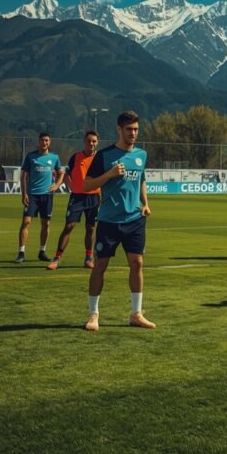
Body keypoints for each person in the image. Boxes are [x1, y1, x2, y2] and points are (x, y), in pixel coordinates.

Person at [82, 111, 154, 331]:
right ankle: (93, 314)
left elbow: (141, 179)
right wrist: (110, 174)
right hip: (109, 221)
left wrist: (145, 203)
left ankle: (136, 314)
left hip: (135, 219)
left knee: (137, 263)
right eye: (129, 129)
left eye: (136, 129)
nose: (133, 133)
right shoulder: (104, 156)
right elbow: (86, 185)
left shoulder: (141, 154)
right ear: (119, 130)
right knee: (100, 265)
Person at [48, 131, 101, 270]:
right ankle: (57, 258)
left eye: (94, 141)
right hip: (77, 197)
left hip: (94, 197)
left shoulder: (100, 158)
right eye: (89, 141)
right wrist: (72, 187)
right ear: (84, 142)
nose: (91, 143)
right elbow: (66, 173)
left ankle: (88, 258)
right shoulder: (76, 157)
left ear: (97, 143)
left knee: (90, 228)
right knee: (69, 226)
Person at [16, 133, 63, 263]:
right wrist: (24, 193)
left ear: (50, 142)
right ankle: (21, 252)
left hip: (47, 195)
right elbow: (23, 176)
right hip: (32, 195)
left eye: (47, 140)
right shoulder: (31, 156)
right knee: (26, 222)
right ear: (39, 141)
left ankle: (42, 251)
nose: (44, 142)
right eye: (42, 140)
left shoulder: (54, 158)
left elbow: (61, 173)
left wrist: (57, 185)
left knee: (46, 223)